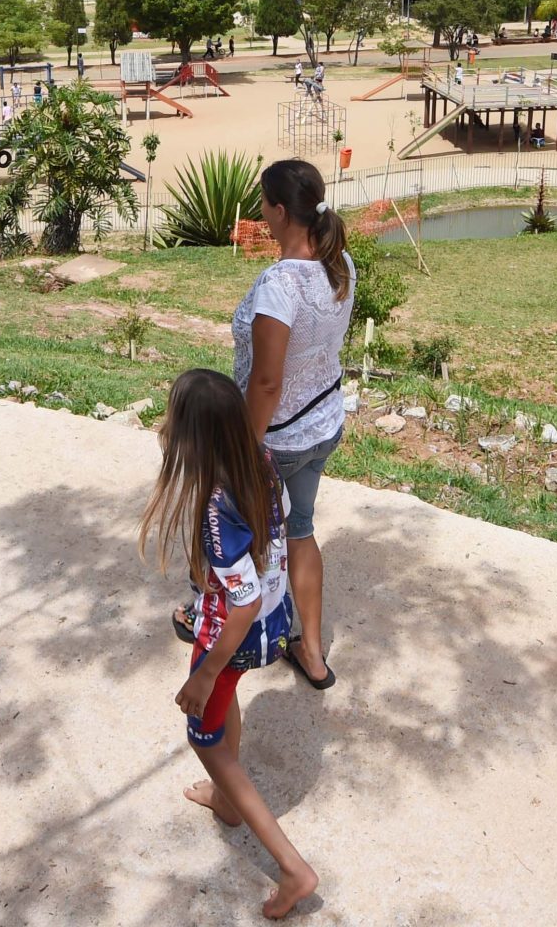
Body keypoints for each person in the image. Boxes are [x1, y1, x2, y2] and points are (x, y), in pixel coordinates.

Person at [141, 368, 317, 921]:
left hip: (232, 636)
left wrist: (204, 673)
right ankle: (225, 801)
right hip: (273, 620)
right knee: (227, 698)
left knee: (205, 739)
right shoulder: (261, 460)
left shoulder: (216, 510)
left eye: (172, 420)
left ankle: (293, 868)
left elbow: (240, 603)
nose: (164, 426)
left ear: (193, 439)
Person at [172, 158, 352, 692]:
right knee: (300, 530)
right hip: (322, 422)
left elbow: (267, 383)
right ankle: (312, 654)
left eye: (263, 205)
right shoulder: (339, 261)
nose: (260, 213)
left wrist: (242, 452)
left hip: (275, 438)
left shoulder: (280, 284)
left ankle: (209, 616)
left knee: (232, 530)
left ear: (279, 211)